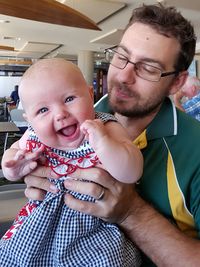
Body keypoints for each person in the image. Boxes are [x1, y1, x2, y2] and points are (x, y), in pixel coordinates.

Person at [14, 3, 200, 267]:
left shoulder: (195, 148)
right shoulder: (72, 119)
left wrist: (131, 213)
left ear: (177, 82)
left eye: (148, 68)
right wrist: (31, 171)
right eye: (121, 56)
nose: (124, 76)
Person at [0, 58, 143, 266]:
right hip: (41, 226)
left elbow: (132, 171)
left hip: (94, 227)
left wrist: (103, 144)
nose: (60, 114)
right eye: (43, 110)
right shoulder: (34, 136)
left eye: (69, 99)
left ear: (90, 95)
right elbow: (12, 157)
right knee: (14, 257)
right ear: (29, 120)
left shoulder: (105, 127)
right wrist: (13, 166)